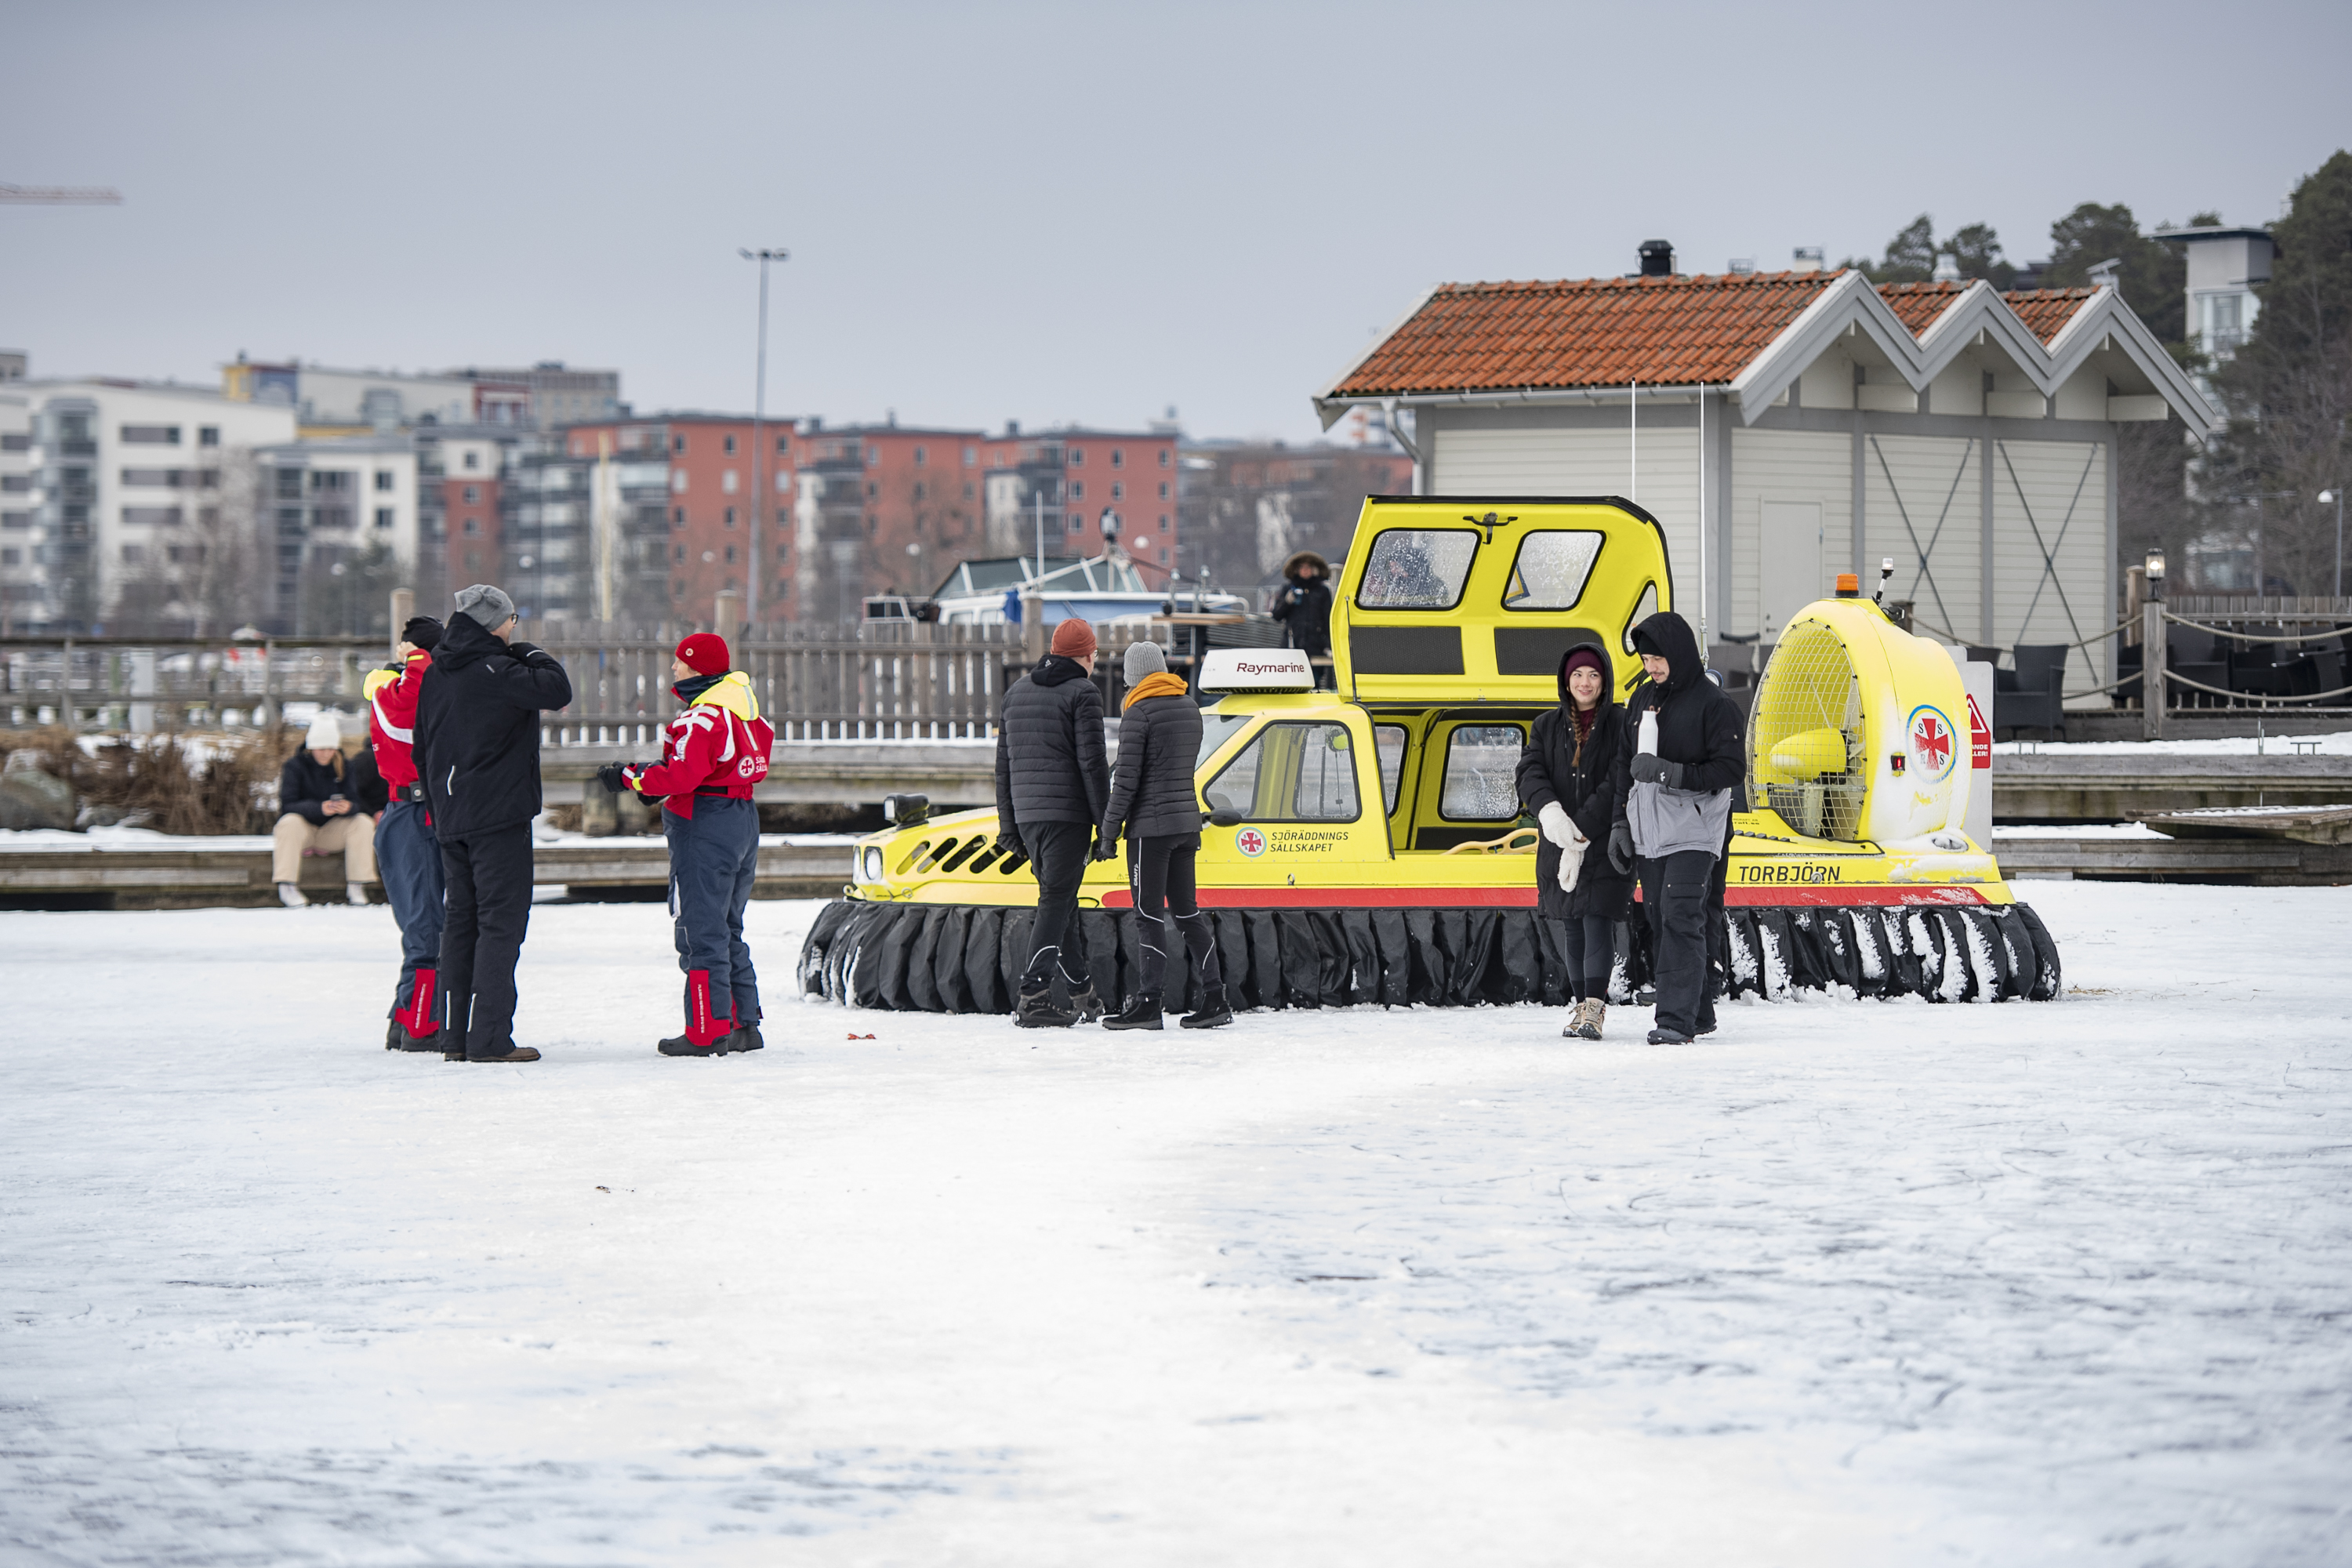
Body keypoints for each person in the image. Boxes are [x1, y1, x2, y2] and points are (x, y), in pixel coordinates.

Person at [414, 584, 574, 1064]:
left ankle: (453, 1037)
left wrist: (438, 810)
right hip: (498, 817)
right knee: (500, 925)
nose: (514, 628)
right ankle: (488, 1038)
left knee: (460, 923)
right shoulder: (498, 669)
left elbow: (422, 747)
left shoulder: (436, 673)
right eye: (512, 620)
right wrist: (529, 650)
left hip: (451, 816)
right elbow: (557, 688)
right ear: (495, 623)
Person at [599, 633, 774, 1058]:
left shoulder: (703, 718)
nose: (674, 668)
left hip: (704, 824)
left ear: (697, 667)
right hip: (741, 818)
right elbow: (719, 765)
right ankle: (742, 1025)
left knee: (700, 930)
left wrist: (629, 778)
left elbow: (682, 775)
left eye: (680, 662)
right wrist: (655, 779)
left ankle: (706, 1031)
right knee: (728, 925)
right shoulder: (746, 713)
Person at [1609, 612, 1744, 1045]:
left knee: (1681, 915)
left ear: (1679, 653)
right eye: (1646, 660)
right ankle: (1699, 1012)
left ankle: (1674, 1021)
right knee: (1659, 918)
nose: (1651, 667)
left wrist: (1669, 772)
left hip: (1695, 830)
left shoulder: (1714, 705)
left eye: (1658, 659)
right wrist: (1620, 823)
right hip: (1649, 832)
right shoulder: (1641, 699)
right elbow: (1623, 766)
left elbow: (1730, 769)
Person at [1097, 641, 1232, 1031]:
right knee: (1188, 913)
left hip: (1150, 832)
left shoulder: (1138, 713)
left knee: (1148, 916)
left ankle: (1148, 1004)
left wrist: (1108, 833)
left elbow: (1126, 783)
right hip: (1186, 826)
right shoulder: (1189, 707)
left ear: (1133, 677)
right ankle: (1215, 999)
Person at [993, 617, 1111, 1027]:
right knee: (1056, 901)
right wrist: (1107, 826)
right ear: (1087, 655)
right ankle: (1033, 996)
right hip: (1067, 816)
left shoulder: (1016, 693)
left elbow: (1003, 768)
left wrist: (1009, 826)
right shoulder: (1084, 693)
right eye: (1094, 654)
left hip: (1029, 817)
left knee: (1063, 901)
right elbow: (1093, 764)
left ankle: (1083, 994)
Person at [1516, 641, 1632, 1040]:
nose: (1585, 682)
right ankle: (1581, 1006)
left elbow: (1619, 780)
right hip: (1558, 842)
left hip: (1603, 842)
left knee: (1597, 919)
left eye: (1594, 675)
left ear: (1605, 681)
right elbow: (1530, 772)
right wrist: (1551, 814)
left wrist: (1580, 829)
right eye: (1578, 674)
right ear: (1566, 680)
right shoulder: (1545, 726)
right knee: (1572, 925)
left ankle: (1594, 1009)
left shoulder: (1621, 723)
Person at [364, 615, 447, 1053]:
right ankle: (420, 1025)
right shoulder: (392, 691)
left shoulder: (406, 688)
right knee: (426, 928)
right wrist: (418, 657)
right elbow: (406, 720)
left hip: (416, 812)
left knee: (425, 924)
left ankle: (405, 1018)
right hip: (410, 814)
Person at [273, 712, 378, 908]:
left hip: (332, 832)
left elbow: (356, 801)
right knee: (288, 822)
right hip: (303, 831)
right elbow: (287, 805)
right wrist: (320, 808)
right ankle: (287, 885)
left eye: (331, 748)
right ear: (311, 746)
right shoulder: (294, 766)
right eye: (322, 748)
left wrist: (348, 807)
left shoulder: (345, 766)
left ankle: (357, 885)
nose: (326, 753)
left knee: (363, 822)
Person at [1270, 549, 1334, 686]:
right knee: (1291, 683)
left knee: (1313, 682)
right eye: (1302, 567)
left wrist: (1330, 645)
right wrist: (1287, 602)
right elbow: (1276, 616)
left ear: (1315, 569)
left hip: (1316, 646)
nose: (1305, 570)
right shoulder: (1288, 588)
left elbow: (1329, 619)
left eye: (1308, 567)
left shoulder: (1323, 591)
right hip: (1293, 645)